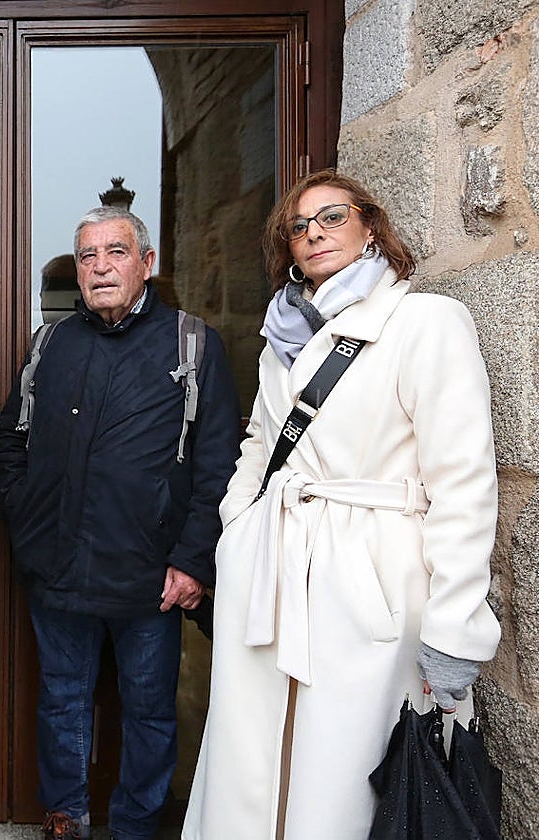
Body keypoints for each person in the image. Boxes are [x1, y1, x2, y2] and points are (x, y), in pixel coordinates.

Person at [181, 170, 502, 840]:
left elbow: (465, 480)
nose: (314, 233)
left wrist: (455, 627)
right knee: (252, 768)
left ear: (370, 225)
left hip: (371, 577)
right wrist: (237, 532)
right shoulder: (283, 334)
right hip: (271, 570)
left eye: (332, 216)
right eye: (299, 226)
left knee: (344, 777)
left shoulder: (424, 321)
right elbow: (260, 443)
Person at [0, 206, 241, 840]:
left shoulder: (192, 342)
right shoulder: (50, 344)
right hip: (57, 568)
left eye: (116, 252)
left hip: (149, 580)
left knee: (151, 712)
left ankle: (136, 827)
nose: (101, 267)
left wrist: (191, 561)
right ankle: (66, 820)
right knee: (62, 703)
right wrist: (28, 525)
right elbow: (12, 444)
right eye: (87, 256)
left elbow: (218, 466)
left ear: (147, 264)